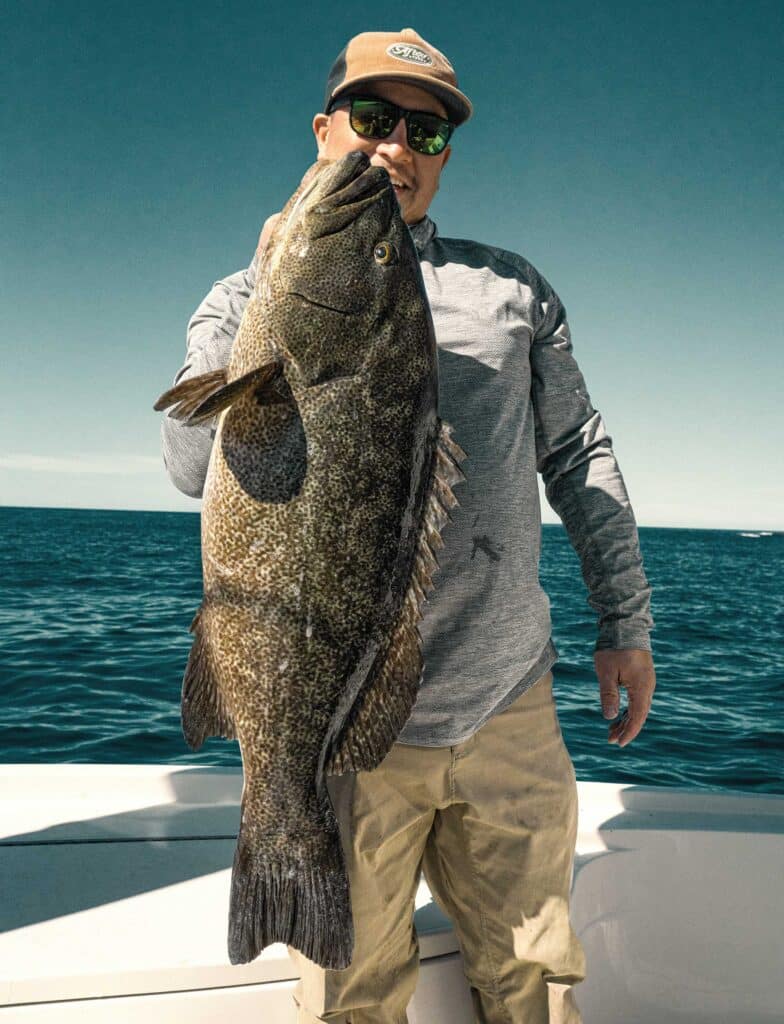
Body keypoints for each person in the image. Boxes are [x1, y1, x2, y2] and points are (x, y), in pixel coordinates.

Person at [160, 27, 656, 1024]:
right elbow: (184, 468)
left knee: (538, 987)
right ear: (323, 129)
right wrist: (268, 284)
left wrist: (626, 620)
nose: (396, 148)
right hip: (342, 726)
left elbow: (577, 455)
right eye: (372, 120)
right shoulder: (237, 299)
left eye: (425, 132)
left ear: (444, 155)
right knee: (355, 1000)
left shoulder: (513, 292)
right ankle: (280, 819)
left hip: (504, 702)